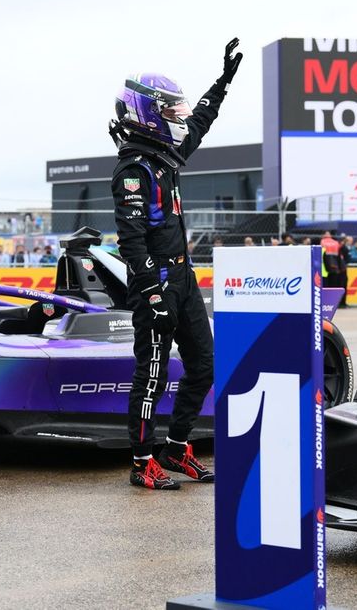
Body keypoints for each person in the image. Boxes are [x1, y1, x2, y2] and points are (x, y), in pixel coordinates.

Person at [109, 37, 242, 490]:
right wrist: (151, 292)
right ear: (147, 113)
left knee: (205, 364)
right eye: (168, 110)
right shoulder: (134, 169)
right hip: (157, 283)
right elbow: (131, 241)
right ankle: (142, 460)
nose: (177, 118)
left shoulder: (167, 156)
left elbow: (199, 122)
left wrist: (222, 83)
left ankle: (177, 447)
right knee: (152, 374)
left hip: (183, 277)